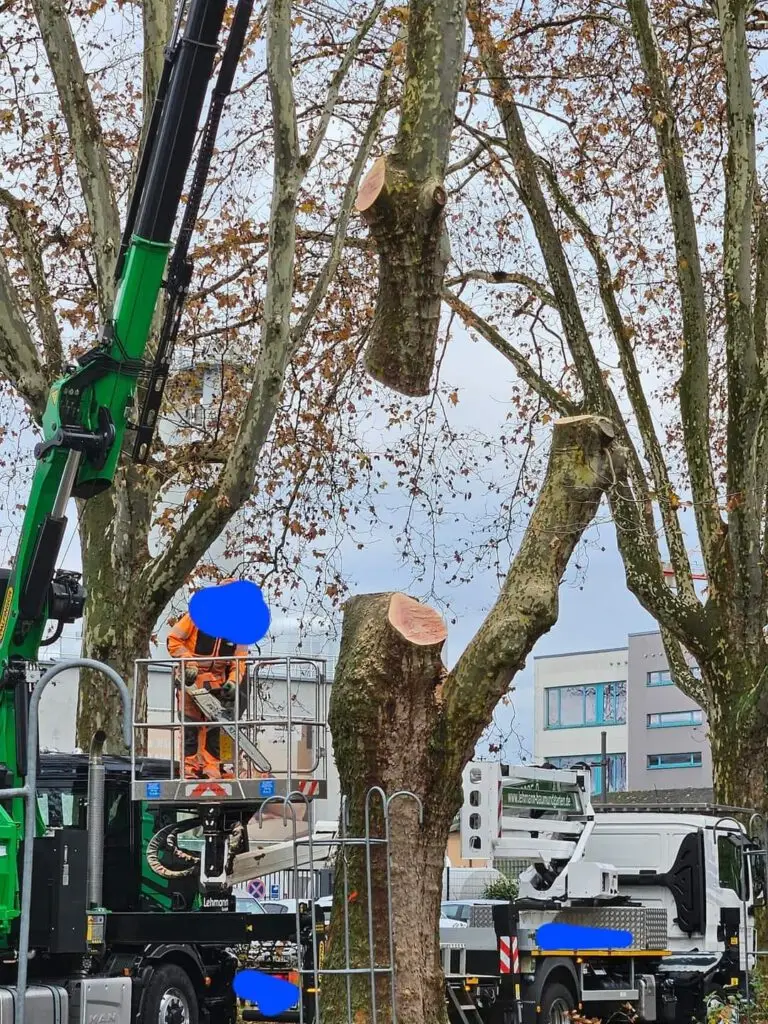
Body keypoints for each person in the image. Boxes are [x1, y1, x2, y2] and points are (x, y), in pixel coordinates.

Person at [167, 586, 248, 779]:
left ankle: (212, 767)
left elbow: (239, 661)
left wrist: (233, 682)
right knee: (190, 726)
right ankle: (190, 768)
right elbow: (174, 640)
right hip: (190, 679)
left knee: (216, 727)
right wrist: (189, 662)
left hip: (217, 680)